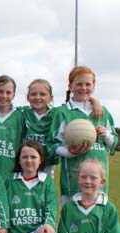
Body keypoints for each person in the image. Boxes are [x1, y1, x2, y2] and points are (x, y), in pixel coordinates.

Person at [0, 79, 104, 176]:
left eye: (42, 94)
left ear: (51, 98)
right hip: (26, 163)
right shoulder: (22, 112)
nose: (38, 97)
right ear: (27, 97)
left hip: (47, 164)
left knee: (43, 195)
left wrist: (94, 101)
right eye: (33, 94)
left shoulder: (58, 113)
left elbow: (75, 105)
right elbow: (3, 108)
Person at [48, 66, 118, 205]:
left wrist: (106, 136)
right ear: (70, 86)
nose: (83, 88)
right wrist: (68, 152)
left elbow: (114, 143)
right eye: (79, 84)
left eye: (88, 84)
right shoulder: (62, 112)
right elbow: (51, 145)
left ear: (94, 86)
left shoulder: (102, 112)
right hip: (72, 184)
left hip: (99, 184)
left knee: (98, 224)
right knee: (72, 223)